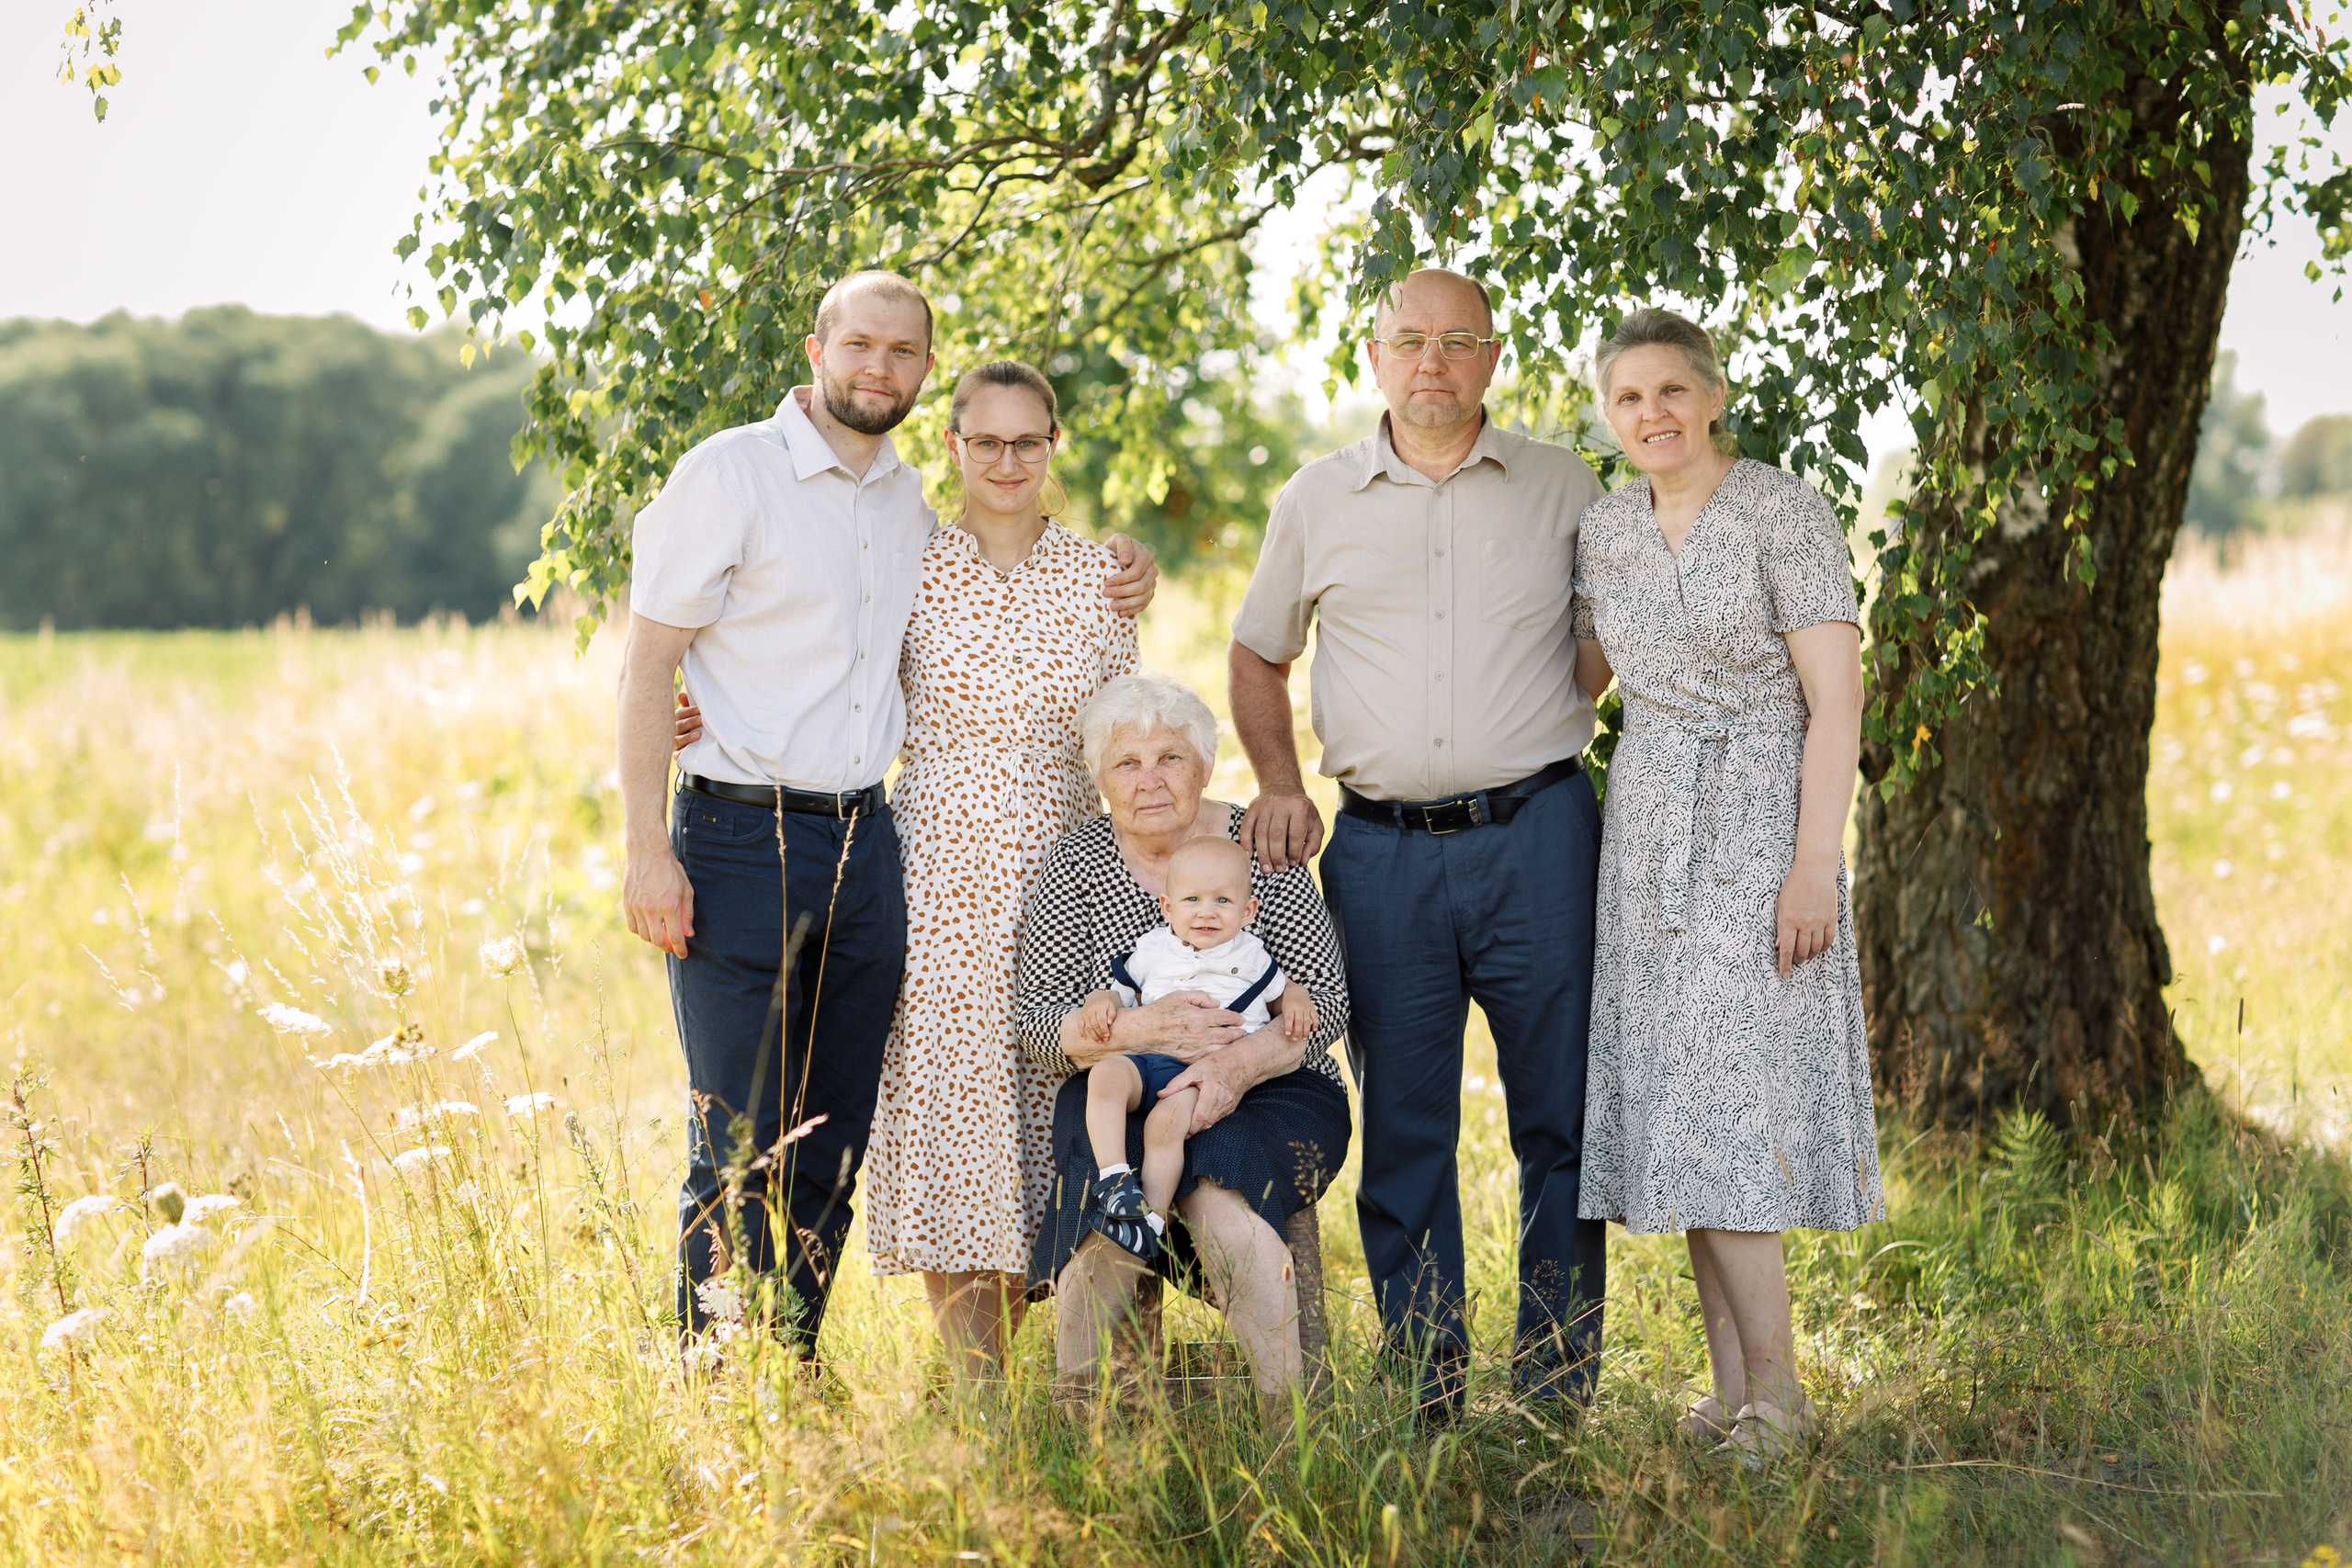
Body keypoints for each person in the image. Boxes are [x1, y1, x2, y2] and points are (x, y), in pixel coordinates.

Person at [616, 274, 1156, 1361]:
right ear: (815, 350)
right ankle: (717, 1377)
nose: (879, 367)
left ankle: (792, 1361)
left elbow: (1113, 712)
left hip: (879, 851)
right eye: (859, 345)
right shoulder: (740, 475)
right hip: (774, 843)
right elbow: (651, 661)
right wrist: (648, 835)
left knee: (831, 1134)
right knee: (740, 1130)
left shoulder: (907, 507)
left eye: (901, 352)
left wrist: (1130, 570)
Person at [1229, 266, 1608, 1417]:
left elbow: (1607, 642)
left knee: (1561, 1120)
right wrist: (1280, 781)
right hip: (1381, 854)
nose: (1432, 362)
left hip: (1540, 834)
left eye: (1457, 341)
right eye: (1409, 341)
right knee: (1405, 1123)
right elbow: (1257, 655)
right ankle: (1427, 1387)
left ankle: (1554, 1389)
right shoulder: (1315, 497)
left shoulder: (1569, 486)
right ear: (1374, 356)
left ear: (1494, 355)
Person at [1569, 307, 1882, 1463]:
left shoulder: (1780, 509)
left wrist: (1813, 864)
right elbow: (1575, 672)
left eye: (1667, 391)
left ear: (1709, 396)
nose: (1649, 414)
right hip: (1646, 823)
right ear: (1610, 419)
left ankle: (1784, 1402)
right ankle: (1732, 1393)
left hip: (1758, 819)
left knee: (1730, 1112)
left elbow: (1834, 701)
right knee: (1684, 1114)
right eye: (1626, 399)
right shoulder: (1606, 527)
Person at [1015, 674, 1351, 1401]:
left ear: (1203, 767)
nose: (1150, 781)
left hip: (1272, 1087)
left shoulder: (1259, 849)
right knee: (1109, 1199)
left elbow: (1325, 1001)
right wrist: (1131, 1028)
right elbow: (1039, 1022)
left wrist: (1233, 1066)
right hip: (1125, 1087)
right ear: (1099, 780)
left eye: (1170, 758)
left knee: (1219, 1192)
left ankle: (1285, 1421)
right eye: (1126, 764)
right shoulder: (1072, 867)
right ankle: (1095, 1425)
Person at [1074, 834, 1317, 1261]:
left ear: (1248, 911)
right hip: (1147, 1059)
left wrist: (1296, 998)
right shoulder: (1152, 948)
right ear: (1168, 907)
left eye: (1223, 901)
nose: (1206, 912)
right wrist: (1101, 1001)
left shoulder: (1252, 955)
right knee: (1105, 1076)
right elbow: (1121, 993)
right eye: (1191, 899)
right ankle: (1114, 1180)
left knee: (1163, 1126)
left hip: (1200, 1072)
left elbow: (1281, 993)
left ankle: (1150, 1217)